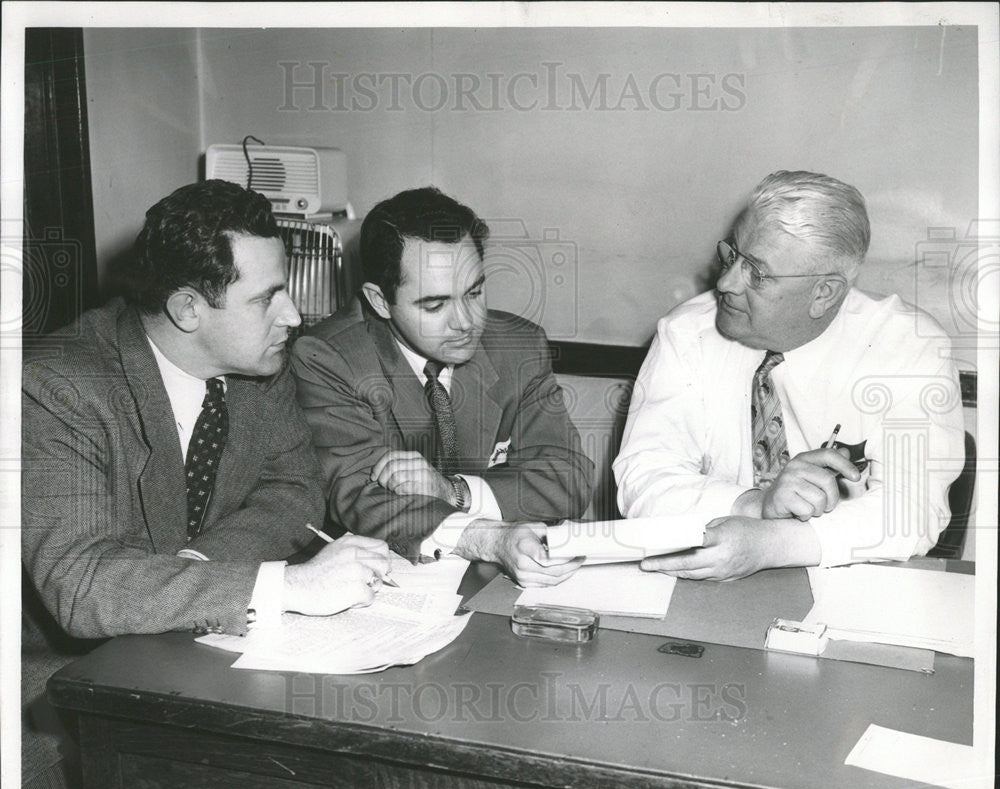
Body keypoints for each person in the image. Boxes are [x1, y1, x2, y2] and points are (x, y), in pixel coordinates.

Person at [22, 180, 390, 640]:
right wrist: (286, 586)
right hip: (66, 678)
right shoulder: (58, 389)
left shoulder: (259, 366)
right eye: (265, 299)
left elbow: (295, 489)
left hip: (191, 642)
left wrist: (197, 569)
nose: (293, 317)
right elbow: (80, 584)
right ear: (187, 310)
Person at [613, 170, 965, 580]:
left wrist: (771, 544)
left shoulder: (906, 346)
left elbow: (912, 511)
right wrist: (756, 505)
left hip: (849, 586)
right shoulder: (688, 331)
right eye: (732, 256)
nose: (726, 283)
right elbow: (643, 479)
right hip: (709, 581)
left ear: (824, 293)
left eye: (756, 273)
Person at [291, 187, 593, 586]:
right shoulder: (328, 357)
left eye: (475, 292)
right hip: (381, 578)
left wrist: (454, 491)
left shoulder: (520, 346)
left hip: (496, 581)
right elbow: (362, 497)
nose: (466, 322)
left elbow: (568, 478)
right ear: (380, 302)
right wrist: (488, 538)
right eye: (434, 306)